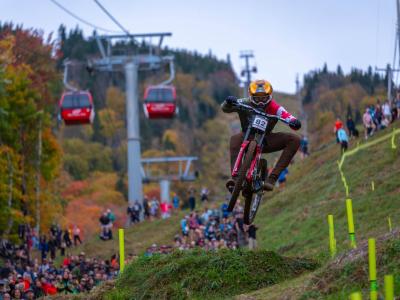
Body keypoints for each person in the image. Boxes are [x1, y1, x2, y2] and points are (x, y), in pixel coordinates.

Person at [222, 80, 301, 192]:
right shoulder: (244, 102)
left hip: (266, 139)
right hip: (246, 136)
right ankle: (235, 179)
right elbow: (225, 109)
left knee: (295, 139)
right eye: (257, 98)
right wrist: (228, 102)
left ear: (269, 96)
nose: (260, 102)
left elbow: (287, 116)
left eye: (263, 98)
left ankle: (272, 179)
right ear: (251, 96)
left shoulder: (275, 107)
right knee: (234, 139)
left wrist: (294, 122)